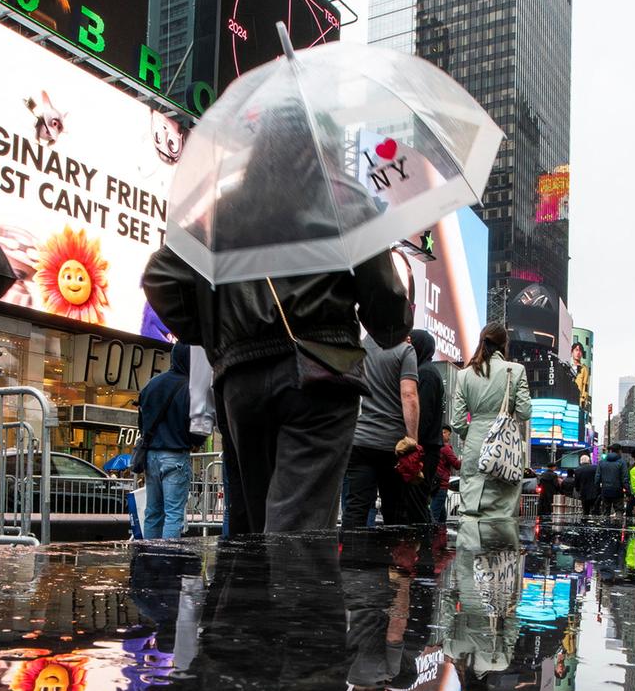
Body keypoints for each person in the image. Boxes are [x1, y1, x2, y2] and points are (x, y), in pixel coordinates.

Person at [141, 222, 409, 535]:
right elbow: (391, 319)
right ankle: (291, 579)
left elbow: (161, 274)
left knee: (250, 517)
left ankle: (255, 578)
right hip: (320, 370)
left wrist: (215, 335)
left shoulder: (225, 213)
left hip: (241, 378)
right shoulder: (340, 202)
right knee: (300, 524)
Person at [451, 323, 531, 521]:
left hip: (474, 445)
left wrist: (472, 434)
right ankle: (500, 549)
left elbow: (458, 421)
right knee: (503, 511)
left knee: (470, 508)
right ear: (505, 344)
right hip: (505, 448)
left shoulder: (464, 375)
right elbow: (525, 412)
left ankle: (470, 549)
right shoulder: (516, 370)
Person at [343, 331, 421, 528]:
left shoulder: (358, 349)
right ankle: (390, 558)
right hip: (394, 445)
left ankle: (350, 558)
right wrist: (412, 441)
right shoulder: (404, 350)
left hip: (360, 440)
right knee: (395, 512)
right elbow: (409, 395)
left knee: (356, 508)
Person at [136, 344, 200, 539]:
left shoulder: (152, 384)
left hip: (151, 456)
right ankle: (167, 562)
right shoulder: (191, 387)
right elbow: (197, 430)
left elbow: (142, 422)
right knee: (173, 515)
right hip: (175, 455)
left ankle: (150, 559)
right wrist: (192, 441)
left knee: (153, 512)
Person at [410, 330, 448, 528]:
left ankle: (425, 550)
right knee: (419, 503)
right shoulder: (429, 371)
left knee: (416, 504)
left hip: (424, 449)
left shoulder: (424, 373)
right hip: (429, 448)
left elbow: (422, 416)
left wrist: (411, 444)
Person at [597, 445, 629, 517]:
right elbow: (625, 478)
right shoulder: (622, 463)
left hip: (605, 490)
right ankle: (617, 526)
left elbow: (597, 477)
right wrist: (628, 491)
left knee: (605, 511)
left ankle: (605, 526)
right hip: (618, 491)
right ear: (619, 451)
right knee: (619, 510)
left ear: (610, 451)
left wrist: (598, 490)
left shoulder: (601, 462)